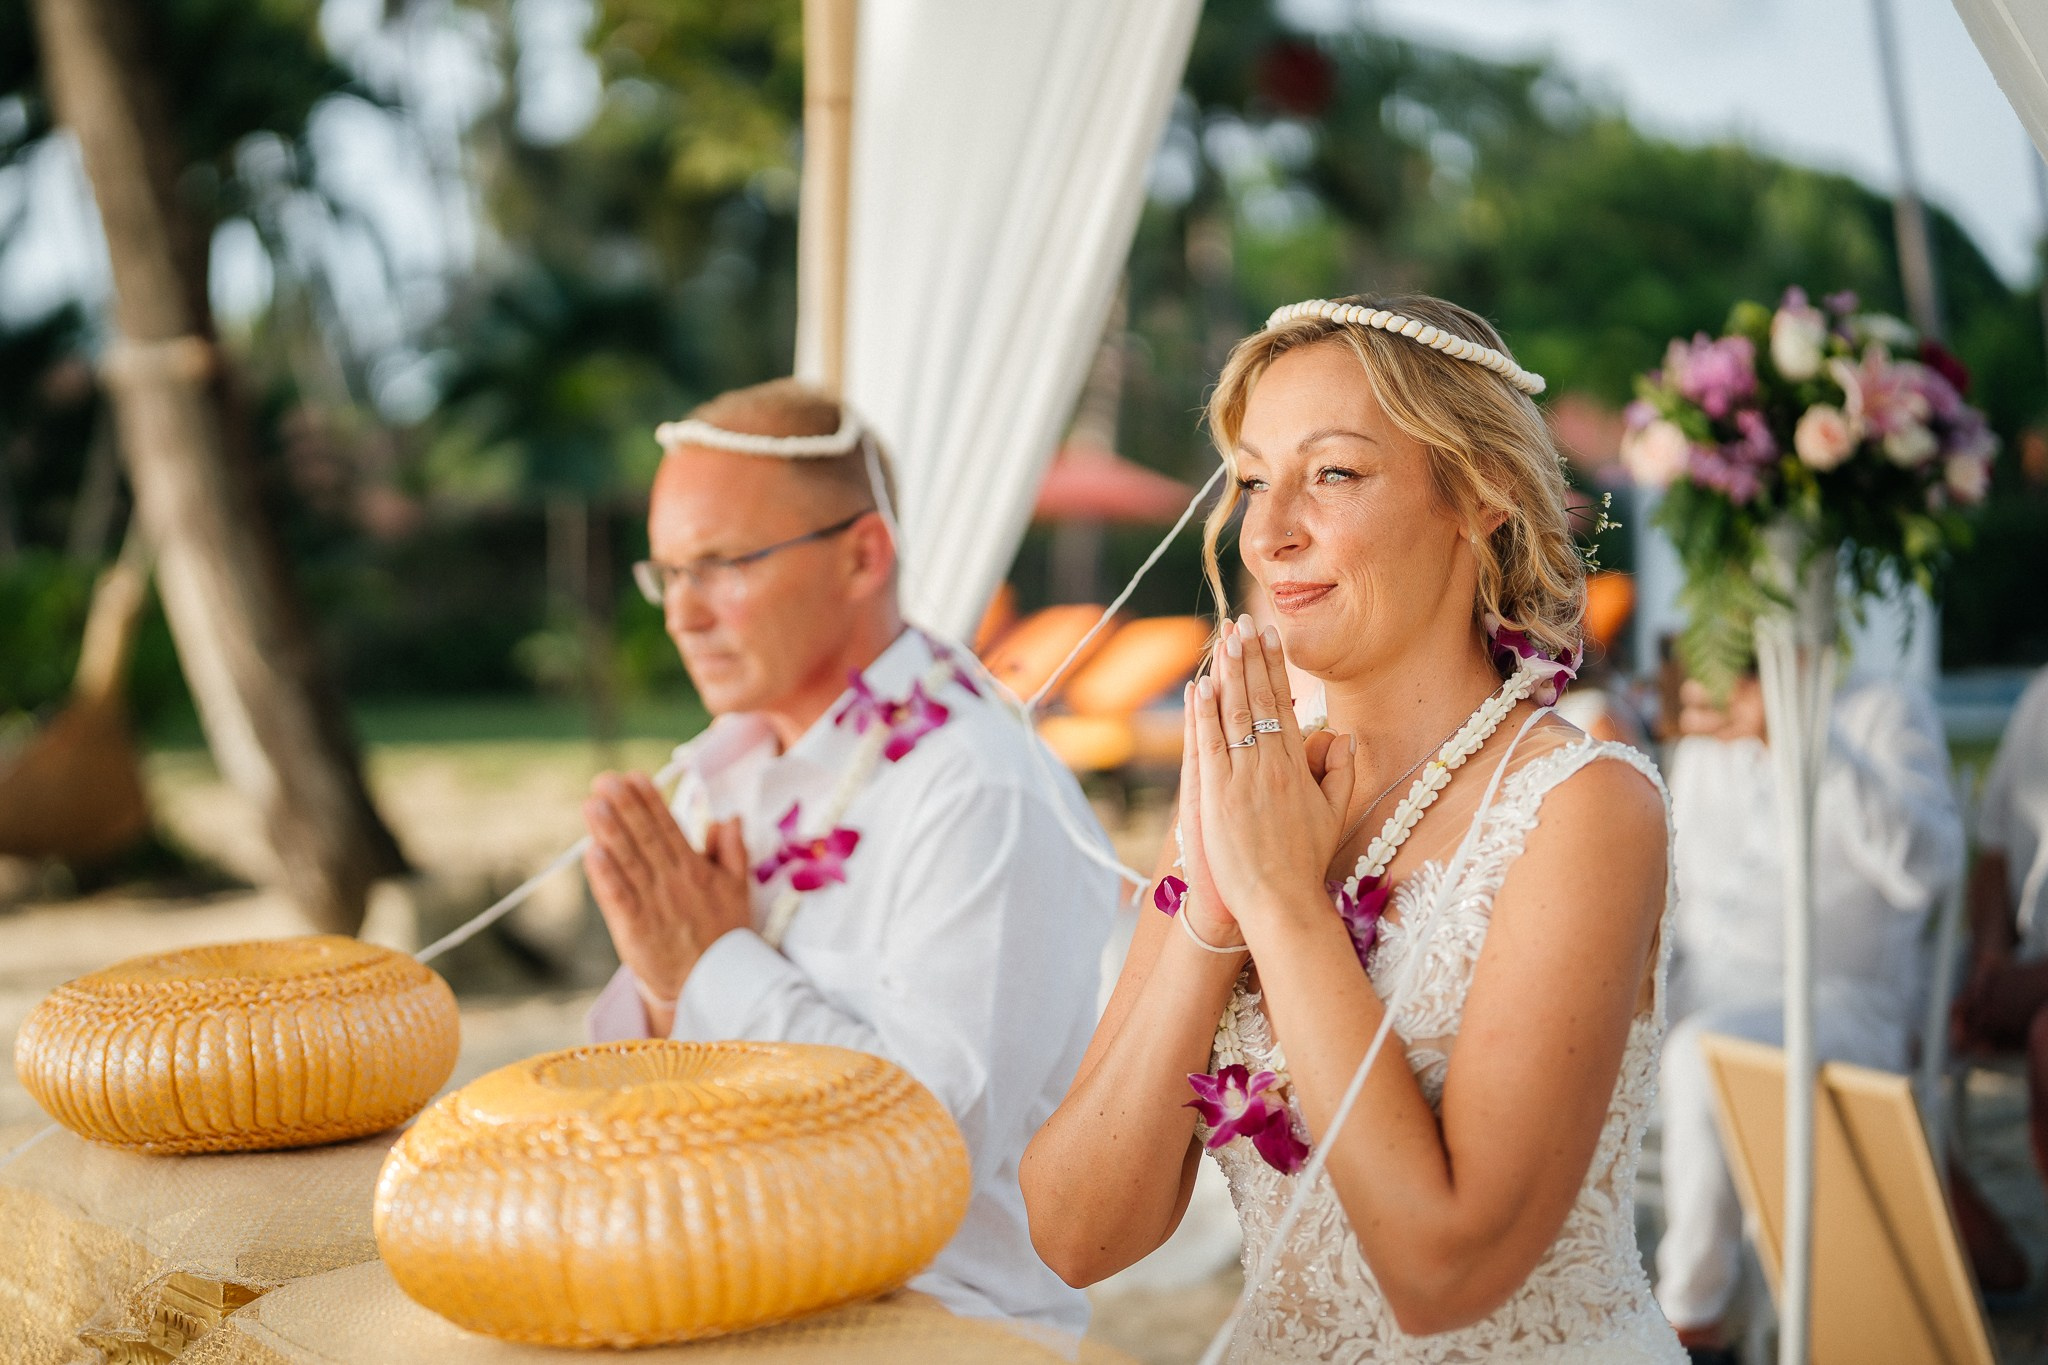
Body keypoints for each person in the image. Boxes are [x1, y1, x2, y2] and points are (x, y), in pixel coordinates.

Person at [1022, 294, 1685, 1362]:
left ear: (1480, 496)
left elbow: (1443, 1275)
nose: (1267, 529)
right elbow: (1073, 1232)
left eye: (1331, 473)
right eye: (1249, 480)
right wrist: (1215, 905)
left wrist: (1283, 905)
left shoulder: (1584, 807)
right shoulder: (1248, 788)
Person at [580, 379, 1118, 1335]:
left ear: (863, 556)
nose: (683, 614)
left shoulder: (976, 786)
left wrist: (707, 965)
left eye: (722, 564)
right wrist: (673, 982)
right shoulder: (726, 767)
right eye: (668, 573)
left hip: (935, 1325)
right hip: (716, 1283)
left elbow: (925, 1148)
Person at [1654, 669, 1965, 1358]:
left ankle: (1690, 1323)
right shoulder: (1708, 726)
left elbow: (1928, 868)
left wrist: (1800, 733)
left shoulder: (1885, 705)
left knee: (1699, 1055)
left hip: (1845, 1002)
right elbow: (1675, 897)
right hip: (1701, 988)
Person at [1950, 665, 2048, 1271]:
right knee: (1900, 1024)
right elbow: (1994, 854)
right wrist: (1990, 955)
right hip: (2023, 963)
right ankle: (1975, 1254)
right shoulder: (2043, 695)